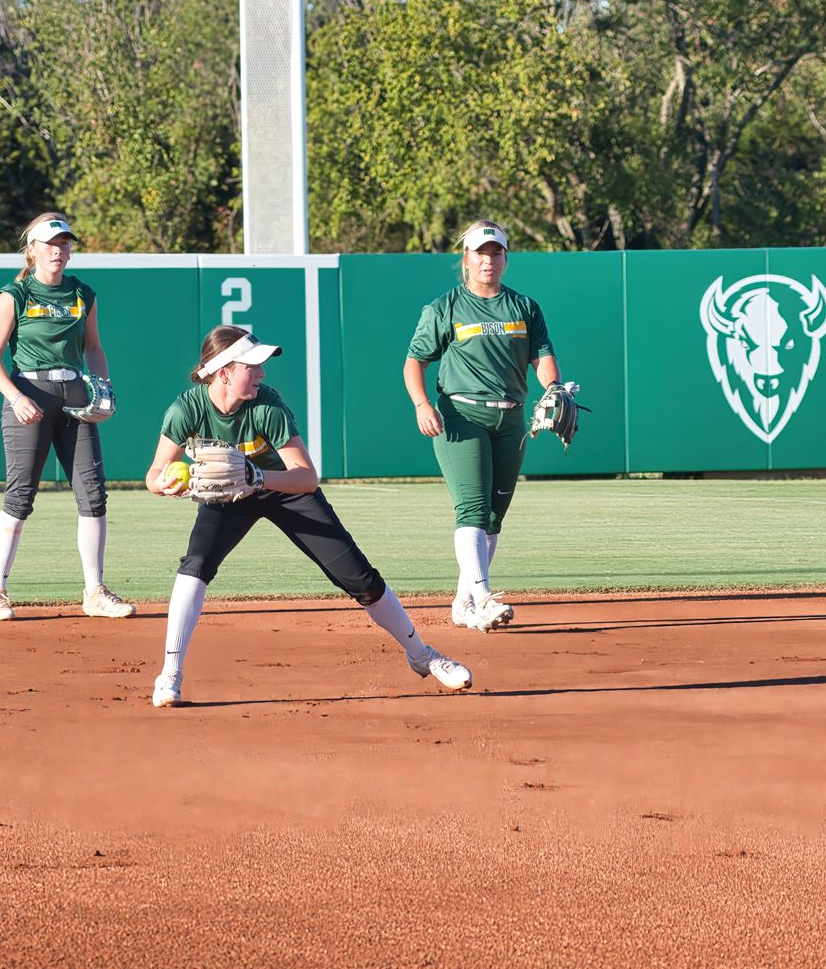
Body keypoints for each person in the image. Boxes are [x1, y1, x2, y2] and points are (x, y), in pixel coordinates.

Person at [144, 325, 473, 707]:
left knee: (358, 576)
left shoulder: (267, 405)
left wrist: (258, 476)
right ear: (224, 373)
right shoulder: (187, 409)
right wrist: (168, 485)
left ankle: (422, 654)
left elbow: (306, 476)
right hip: (227, 495)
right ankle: (170, 674)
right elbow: (153, 474)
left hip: (279, 487)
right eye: (252, 366)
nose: (262, 372)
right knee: (195, 565)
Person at [404, 219, 565, 632]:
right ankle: (484, 597)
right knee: (472, 510)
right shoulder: (445, 307)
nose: (487, 260)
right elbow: (414, 362)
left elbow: (542, 356)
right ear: (466, 259)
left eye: (495, 252)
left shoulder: (525, 307)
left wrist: (554, 389)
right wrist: (422, 404)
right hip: (462, 415)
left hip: (511, 417)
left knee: (493, 516)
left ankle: (463, 602)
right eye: (480, 252)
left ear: (505, 258)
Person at [0, 213, 134, 622]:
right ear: (32, 249)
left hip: (75, 395)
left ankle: (95, 591)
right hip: (30, 392)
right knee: (20, 495)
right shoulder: (15, 294)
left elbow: (94, 347)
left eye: (65, 243)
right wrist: (14, 397)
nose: (59, 250)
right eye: (50, 243)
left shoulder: (83, 293)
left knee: (93, 493)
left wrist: (102, 386)